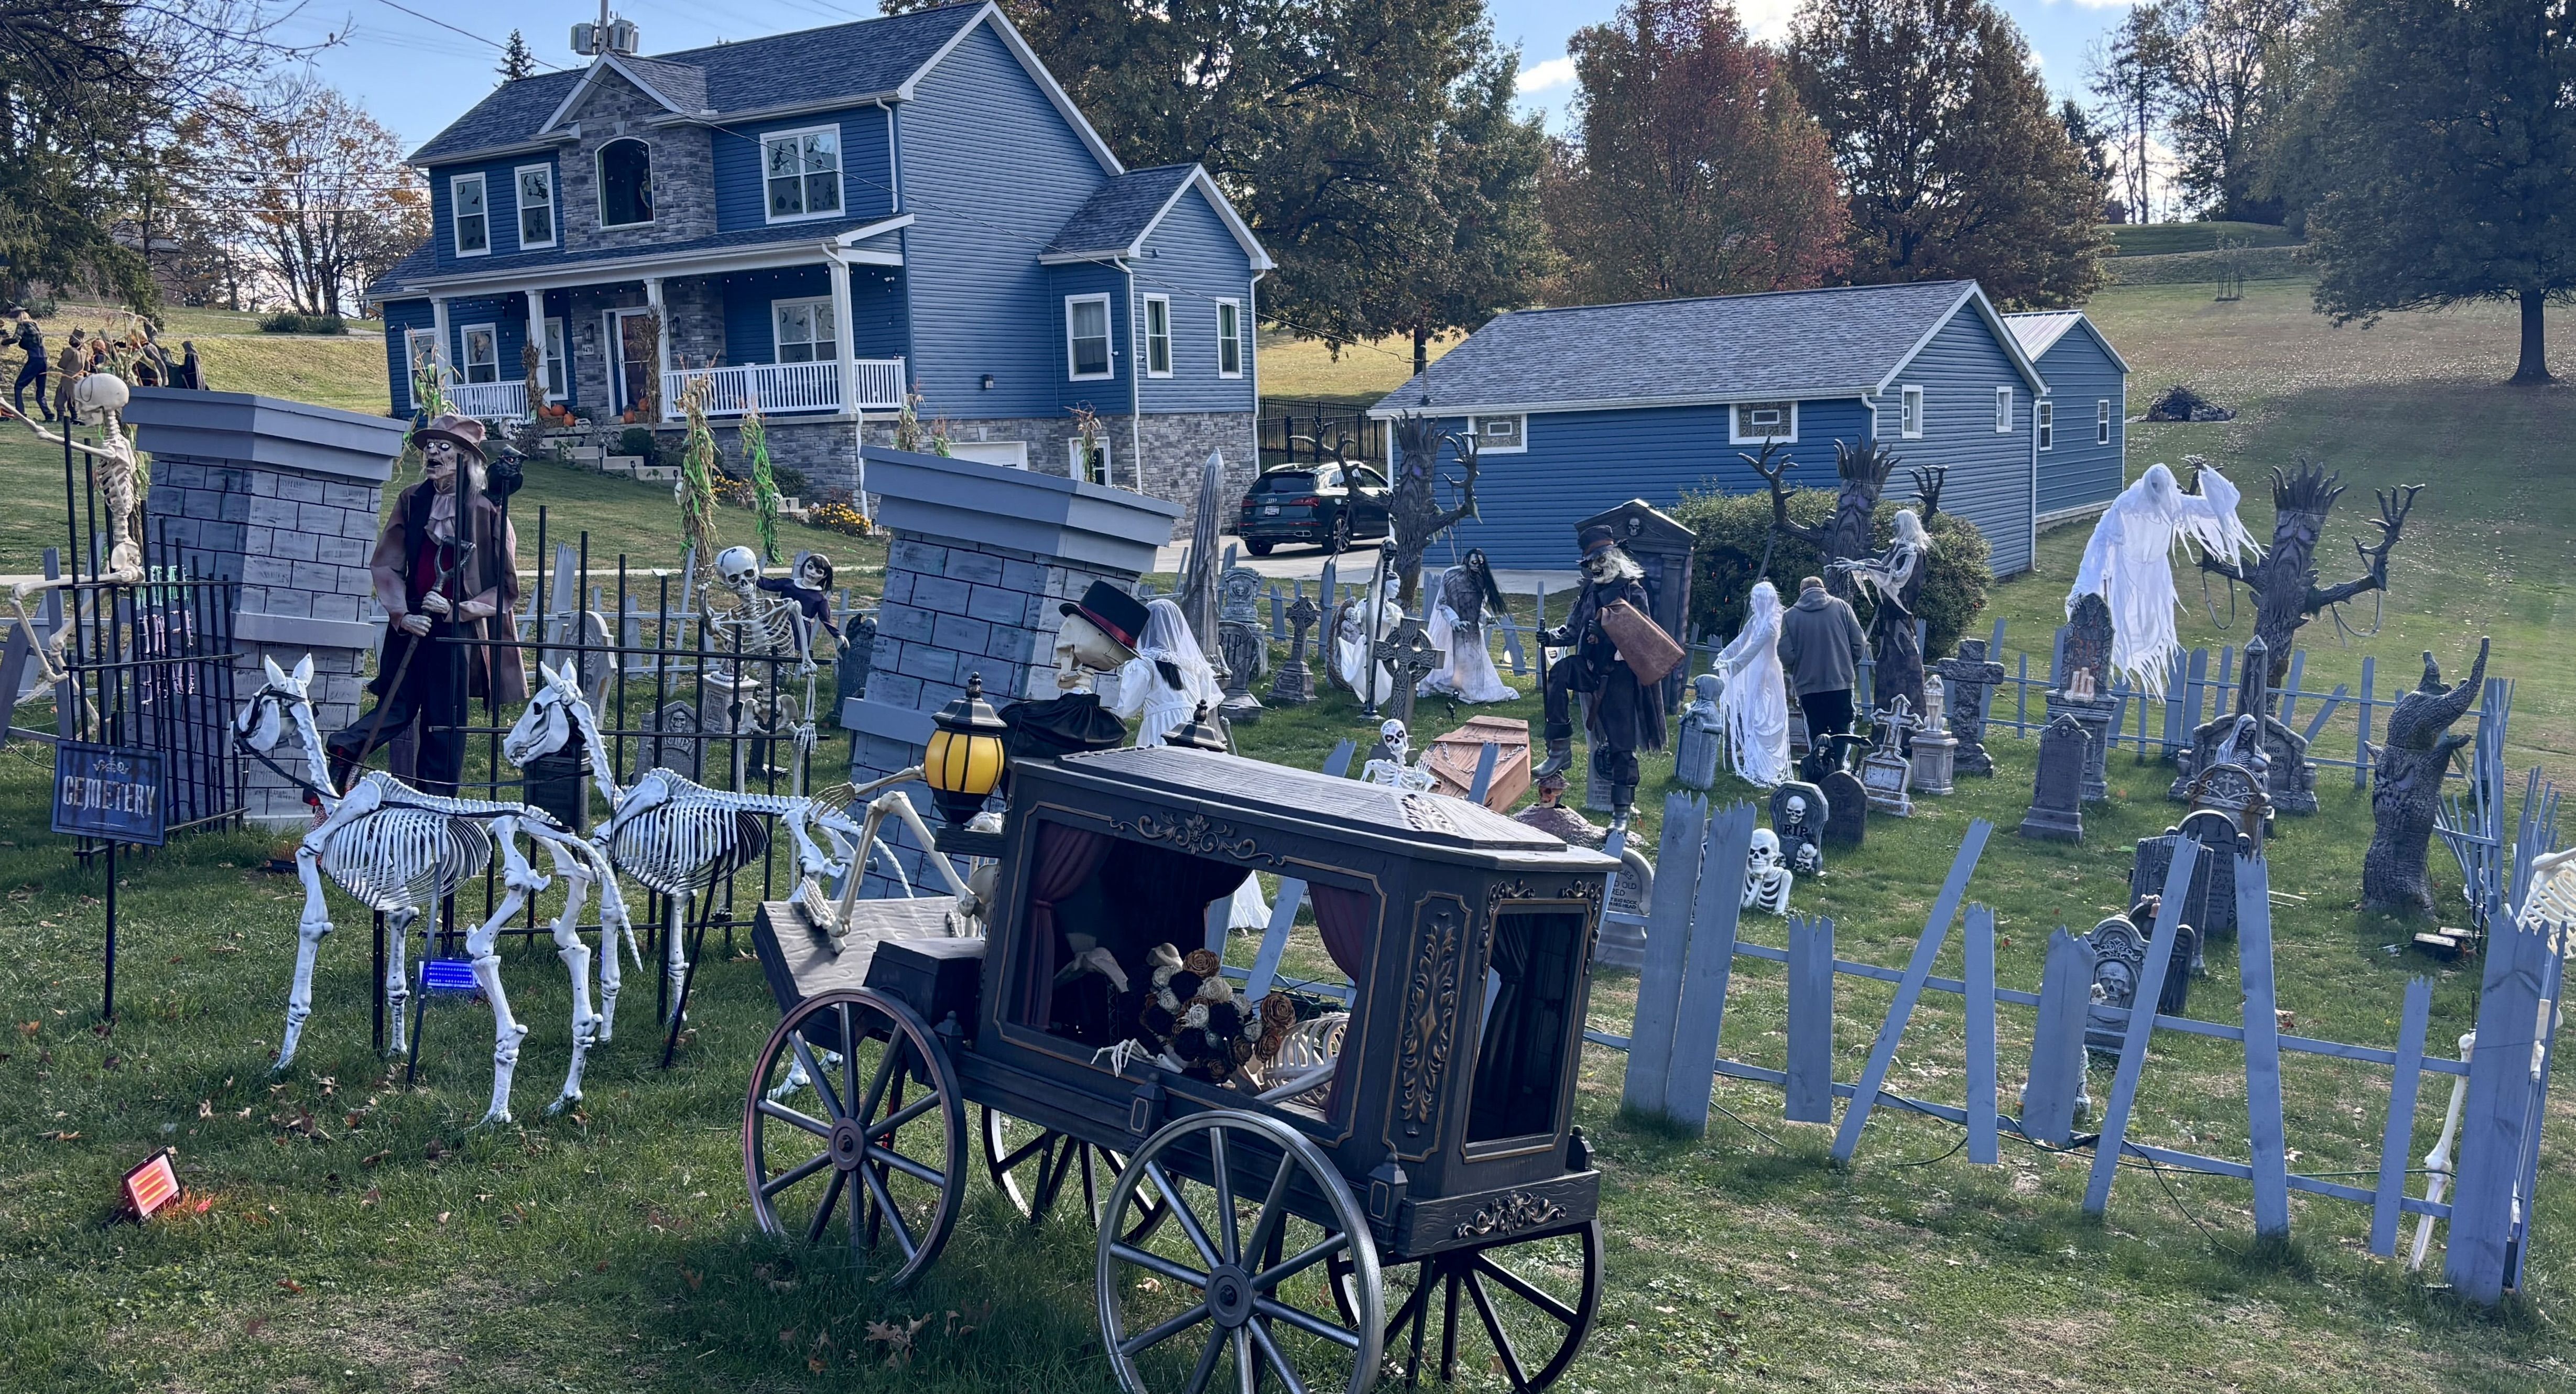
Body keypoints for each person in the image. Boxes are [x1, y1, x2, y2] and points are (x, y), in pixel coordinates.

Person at [325, 413, 525, 797]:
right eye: (429, 447)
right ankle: (346, 749)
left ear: (465, 458)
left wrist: (457, 609)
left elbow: (505, 589)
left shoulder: (486, 510)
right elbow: (386, 562)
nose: (432, 452)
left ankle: (436, 803)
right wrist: (402, 615)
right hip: (413, 617)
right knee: (395, 705)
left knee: (443, 720)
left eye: (443, 447)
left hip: (456, 629)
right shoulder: (413, 500)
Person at [1111, 597, 1269, 928]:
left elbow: (1124, 707)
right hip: (1198, 733)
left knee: (1157, 807)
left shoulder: (1144, 664)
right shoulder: (1193, 665)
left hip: (1162, 734)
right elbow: (1206, 701)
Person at [1531, 525, 1668, 818]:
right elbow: (1573, 629)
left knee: (1621, 745)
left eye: (1600, 561)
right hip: (1589, 667)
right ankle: (1559, 749)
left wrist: (1609, 633)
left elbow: (1643, 635)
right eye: (1590, 563)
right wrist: (1553, 638)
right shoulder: (1589, 592)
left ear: (1614, 558)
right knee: (1560, 673)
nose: (1595, 567)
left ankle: (1622, 811)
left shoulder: (1633, 591)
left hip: (1619, 676)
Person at [1711, 581, 1791, 786]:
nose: (1754, 604)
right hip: (1753, 670)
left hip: (1767, 671)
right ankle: (1752, 759)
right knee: (1752, 714)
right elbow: (1741, 641)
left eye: (1757, 600)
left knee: (1765, 716)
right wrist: (1725, 654)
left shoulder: (1772, 624)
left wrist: (1733, 665)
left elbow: (1753, 649)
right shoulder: (1756, 621)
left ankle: (1763, 764)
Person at [1777, 574, 1868, 752]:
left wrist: (1798, 670)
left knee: (1815, 732)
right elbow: (1859, 643)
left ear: (1801, 592)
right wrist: (1848, 664)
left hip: (1809, 686)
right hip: (1841, 683)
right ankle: (1838, 771)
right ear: (1823, 588)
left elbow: (1785, 652)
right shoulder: (1842, 608)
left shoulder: (1790, 616)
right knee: (1842, 731)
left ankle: (1818, 771)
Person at [1419, 548, 1517, 703]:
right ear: (1467, 560)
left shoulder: (1481, 580)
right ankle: (1458, 686)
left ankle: (1469, 688)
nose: (1477, 566)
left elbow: (1477, 608)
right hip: (1454, 625)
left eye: (1481, 564)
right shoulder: (1451, 575)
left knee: (1472, 659)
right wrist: (1454, 621)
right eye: (1474, 563)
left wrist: (1487, 618)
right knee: (1456, 656)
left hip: (1471, 628)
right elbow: (1443, 604)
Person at [8, 309, 51, 421]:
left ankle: (20, 414)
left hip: (35, 359)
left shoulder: (22, 324)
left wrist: (3, 342)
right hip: (44, 359)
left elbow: (16, 339)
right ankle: (49, 415)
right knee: (40, 391)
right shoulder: (35, 325)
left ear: (18, 317)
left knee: (18, 386)